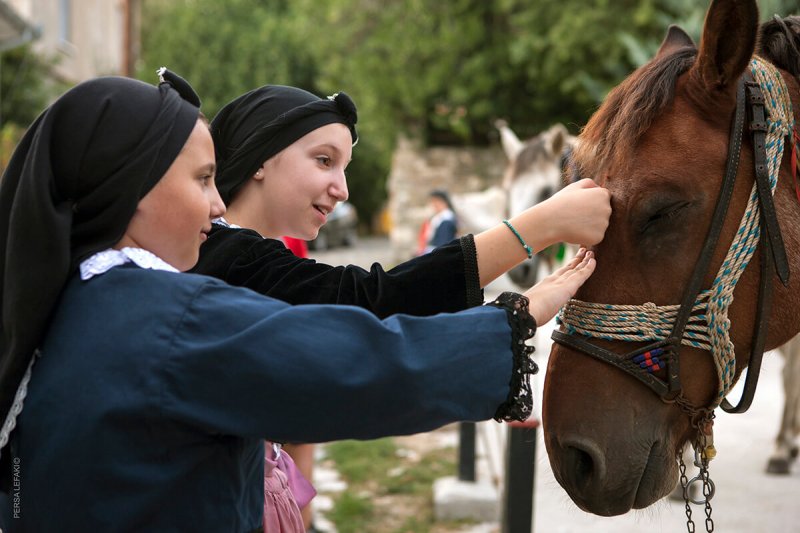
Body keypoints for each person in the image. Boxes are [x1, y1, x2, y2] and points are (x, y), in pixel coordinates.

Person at [0, 72, 600, 531]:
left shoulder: (71, 300)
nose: (216, 205)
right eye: (203, 179)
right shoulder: (166, 316)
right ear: (131, 186)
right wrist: (517, 315)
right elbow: (361, 359)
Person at [195, 84, 612, 530]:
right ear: (261, 157)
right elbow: (374, 304)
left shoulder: (240, 252)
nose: (343, 190)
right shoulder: (228, 256)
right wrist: (541, 227)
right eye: (324, 160)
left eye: (344, 167)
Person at [420, 189, 458, 255]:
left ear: (442, 202)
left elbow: (442, 245)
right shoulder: (438, 218)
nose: (432, 204)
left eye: (434, 201)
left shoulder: (446, 220)